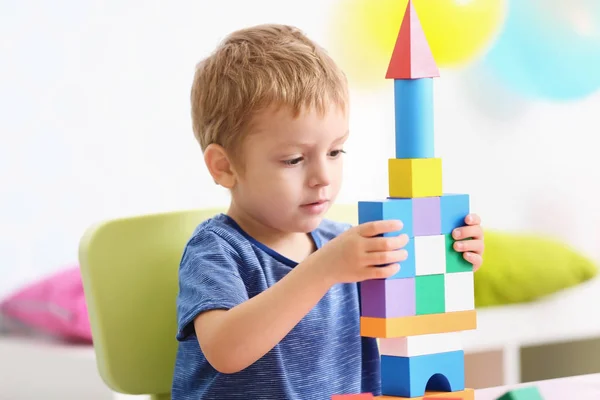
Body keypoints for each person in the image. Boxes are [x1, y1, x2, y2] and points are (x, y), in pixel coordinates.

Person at [171, 23, 485, 400]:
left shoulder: (344, 245)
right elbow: (226, 350)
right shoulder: (217, 249)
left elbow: (414, 304)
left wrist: (450, 253)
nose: (322, 177)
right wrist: (322, 270)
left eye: (335, 152)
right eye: (294, 159)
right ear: (224, 167)